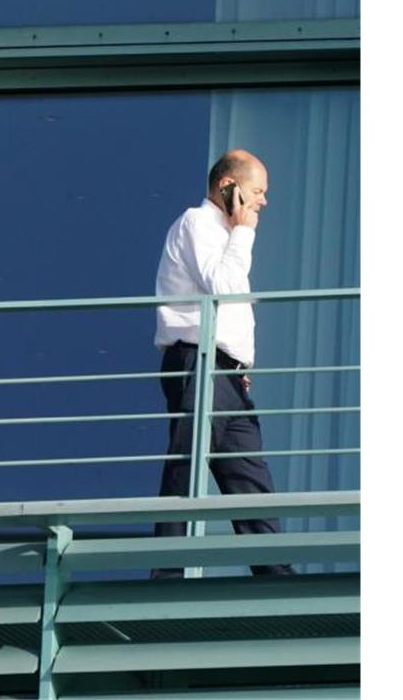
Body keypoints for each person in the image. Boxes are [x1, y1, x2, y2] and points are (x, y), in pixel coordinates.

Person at [151, 148, 293, 578]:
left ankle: (277, 580)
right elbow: (225, 287)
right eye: (257, 191)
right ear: (229, 188)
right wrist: (244, 230)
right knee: (189, 463)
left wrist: (240, 363)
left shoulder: (222, 233)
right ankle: (166, 577)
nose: (264, 201)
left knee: (249, 478)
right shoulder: (199, 223)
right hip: (201, 363)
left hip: (226, 373)